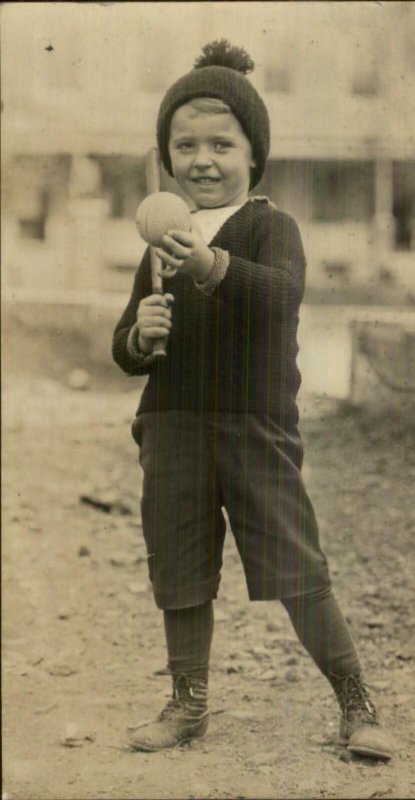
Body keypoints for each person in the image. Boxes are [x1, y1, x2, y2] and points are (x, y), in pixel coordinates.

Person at [112, 39, 393, 761]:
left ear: (252, 154)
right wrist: (139, 337)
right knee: (178, 564)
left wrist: (207, 264)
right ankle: (188, 704)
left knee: (293, 563)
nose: (202, 159)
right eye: (185, 145)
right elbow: (122, 349)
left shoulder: (271, 227)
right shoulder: (158, 242)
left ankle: (354, 700)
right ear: (166, 157)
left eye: (221, 144)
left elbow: (281, 297)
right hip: (172, 425)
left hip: (253, 425)